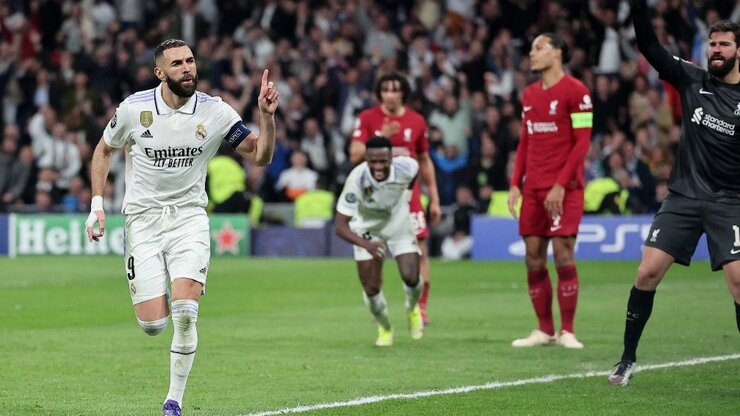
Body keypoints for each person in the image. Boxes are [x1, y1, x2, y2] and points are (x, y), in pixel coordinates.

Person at [84, 39, 278, 416]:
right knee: (154, 325)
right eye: (177, 64)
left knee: (187, 313)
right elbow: (104, 149)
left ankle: (173, 402)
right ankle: (168, 294)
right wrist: (96, 205)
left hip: (189, 218)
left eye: (190, 61)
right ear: (160, 72)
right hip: (143, 221)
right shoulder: (134, 109)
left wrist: (266, 117)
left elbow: (260, 156)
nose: (187, 68)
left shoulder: (215, 111)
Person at [609, 1, 740, 386]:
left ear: (739, 51)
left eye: (725, 45)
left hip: (729, 201)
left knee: (738, 283)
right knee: (647, 272)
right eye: (713, 44)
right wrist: (637, 8)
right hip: (683, 197)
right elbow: (650, 47)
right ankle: (626, 359)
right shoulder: (692, 79)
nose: (716, 50)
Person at [507, 32, 593, 349]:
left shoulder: (578, 92)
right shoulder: (529, 94)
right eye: (531, 48)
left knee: (562, 252)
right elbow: (526, 140)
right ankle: (544, 330)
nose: (532, 53)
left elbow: (582, 143)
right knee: (533, 256)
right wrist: (516, 181)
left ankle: (567, 331)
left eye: (538, 48)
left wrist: (560, 185)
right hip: (534, 188)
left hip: (565, 188)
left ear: (557, 53)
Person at [350, 72, 441, 326]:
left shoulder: (417, 121)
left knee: (420, 253)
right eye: (386, 90)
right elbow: (355, 154)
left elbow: (424, 160)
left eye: (395, 89)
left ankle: (420, 308)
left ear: (403, 93)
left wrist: (433, 198)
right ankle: (377, 304)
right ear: (380, 93)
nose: (390, 94)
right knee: (376, 255)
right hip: (375, 201)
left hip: (408, 199)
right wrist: (382, 135)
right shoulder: (368, 118)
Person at [336, 135, 425, 347]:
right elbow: (340, 226)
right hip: (367, 230)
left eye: (383, 161)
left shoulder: (407, 166)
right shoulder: (356, 179)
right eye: (373, 161)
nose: (378, 166)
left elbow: (415, 173)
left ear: (391, 158)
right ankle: (385, 327)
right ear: (366, 158)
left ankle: (412, 307)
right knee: (371, 288)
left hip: (398, 223)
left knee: (411, 277)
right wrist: (367, 244)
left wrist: (408, 196)